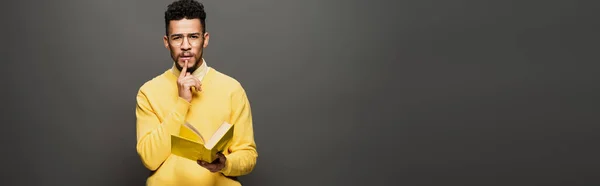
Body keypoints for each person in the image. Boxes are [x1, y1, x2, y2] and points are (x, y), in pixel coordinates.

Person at [134, 0, 258, 185]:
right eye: (177, 38)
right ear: (167, 42)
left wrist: (226, 163)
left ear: (205, 39)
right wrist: (182, 103)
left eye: (193, 36)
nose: (185, 45)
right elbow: (149, 159)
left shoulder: (232, 89)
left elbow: (248, 155)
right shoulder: (148, 92)